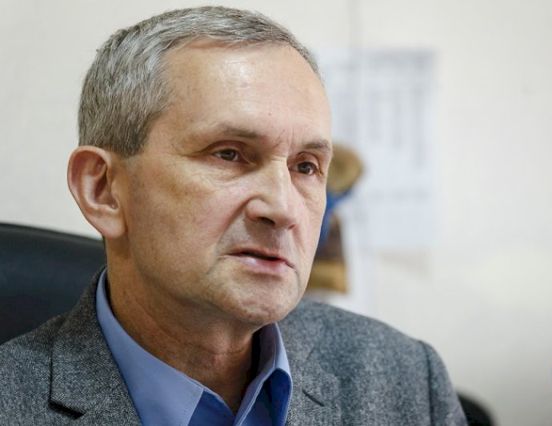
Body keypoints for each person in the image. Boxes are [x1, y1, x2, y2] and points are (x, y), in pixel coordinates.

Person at [0, 6, 466, 425]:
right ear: (103, 190)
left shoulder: (405, 381)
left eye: (306, 167)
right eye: (229, 154)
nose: (283, 209)